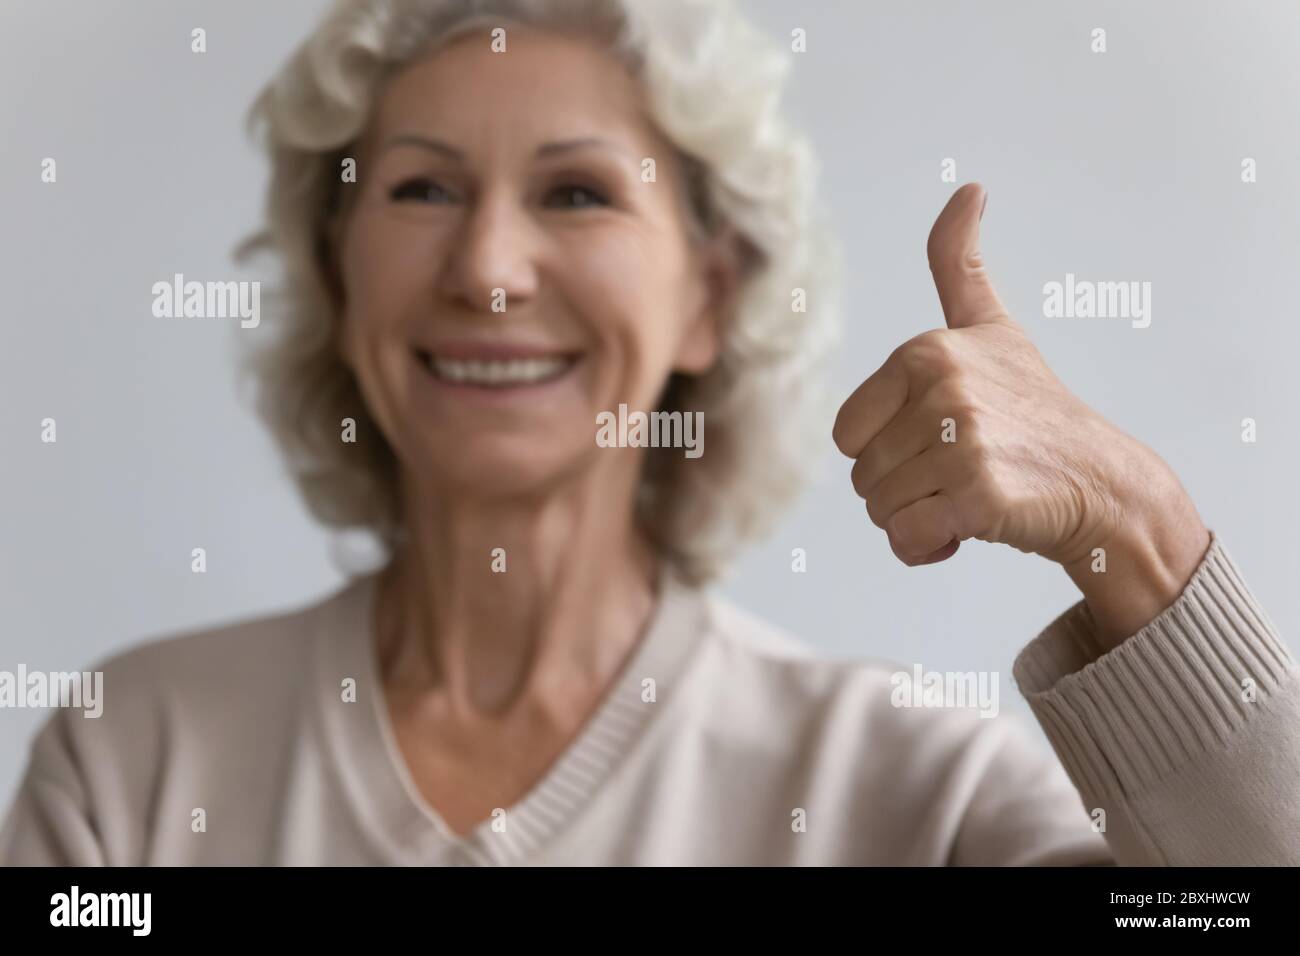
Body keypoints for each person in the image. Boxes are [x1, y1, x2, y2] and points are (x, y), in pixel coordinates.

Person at [2, 0, 1295, 866]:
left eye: (575, 192)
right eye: (421, 189)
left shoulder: (911, 798)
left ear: (709, 295)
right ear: (338, 276)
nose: (491, 270)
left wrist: (1134, 523)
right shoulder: (132, 765)